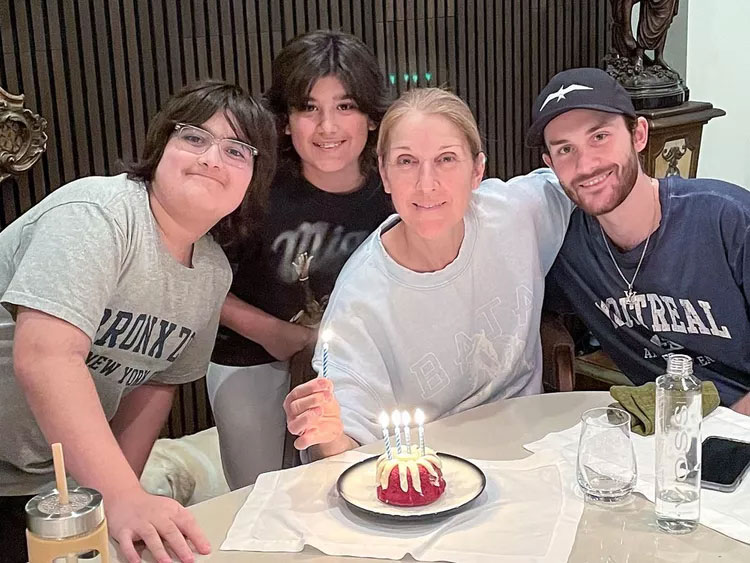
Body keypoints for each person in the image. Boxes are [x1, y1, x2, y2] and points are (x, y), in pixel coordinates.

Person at [0, 80, 276, 563]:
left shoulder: (212, 273)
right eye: (194, 137)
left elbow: (158, 385)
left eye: (237, 150)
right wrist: (124, 497)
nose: (212, 158)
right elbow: (45, 358)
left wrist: (113, 497)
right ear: (160, 147)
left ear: (254, 180)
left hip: (52, 485)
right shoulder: (97, 214)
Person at [283, 87, 573, 458]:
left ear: (477, 171)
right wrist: (324, 430)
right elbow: (344, 447)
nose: (426, 184)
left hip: (533, 444)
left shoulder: (516, 212)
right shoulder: (361, 298)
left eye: (447, 159)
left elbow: (584, 180)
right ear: (385, 175)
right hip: (432, 474)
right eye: (406, 162)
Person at [207, 30, 392, 488]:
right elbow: (196, 277)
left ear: (371, 117)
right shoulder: (253, 186)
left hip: (362, 360)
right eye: (309, 108)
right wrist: (278, 335)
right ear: (286, 121)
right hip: (253, 353)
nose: (328, 127)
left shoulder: (395, 185)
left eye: (345, 106)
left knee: (355, 484)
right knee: (260, 494)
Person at [526, 67, 750, 414]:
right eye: (565, 149)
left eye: (599, 136)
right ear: (550, 165)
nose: (585, 164)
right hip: (664, 438)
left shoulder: (728, 219)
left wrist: (716, 433)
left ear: (639, 134)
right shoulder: (568, 250)